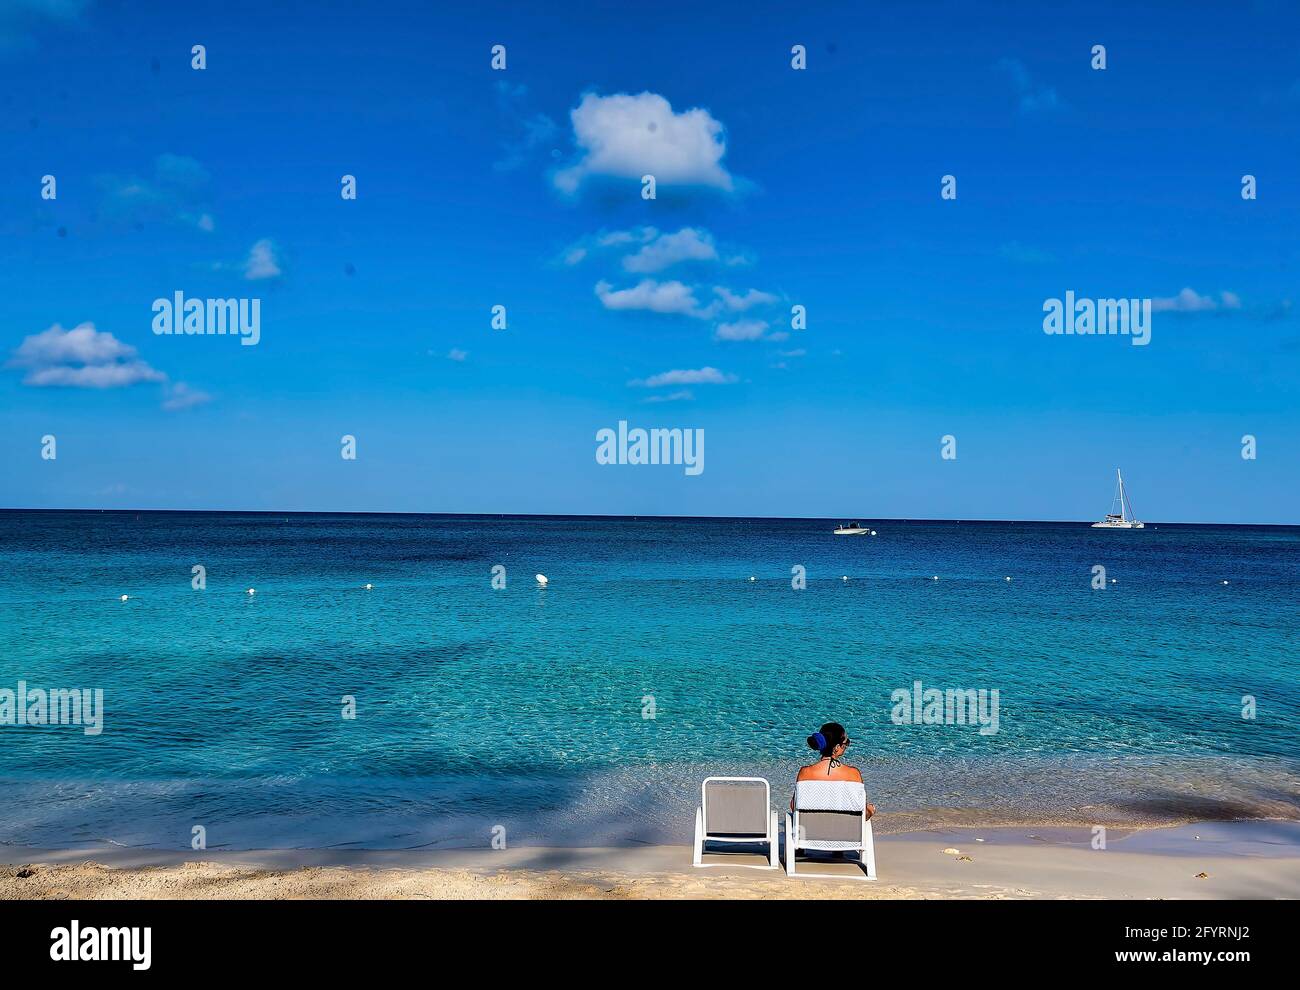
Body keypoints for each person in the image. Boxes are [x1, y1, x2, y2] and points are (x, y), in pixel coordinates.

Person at [794, 721, 876, 820]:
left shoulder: (805, 772)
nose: (846, 746)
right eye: (846, 743)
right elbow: (860, 813)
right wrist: (870, 810)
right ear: (837, 747)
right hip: (847, 833)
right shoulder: (853, 774)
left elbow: (793, 806)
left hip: (807, 834)